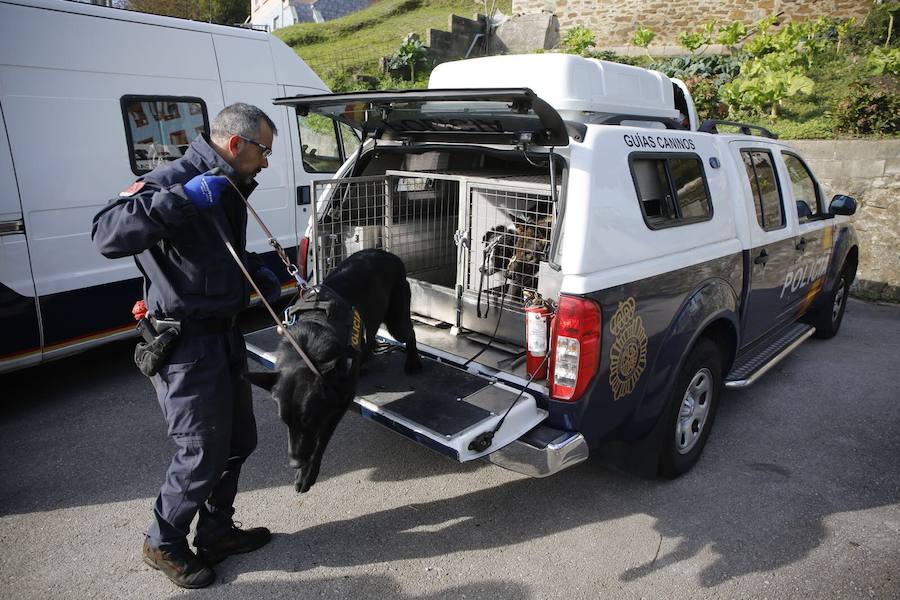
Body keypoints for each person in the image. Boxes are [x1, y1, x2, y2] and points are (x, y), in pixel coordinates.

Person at [92, 103, 283, 589]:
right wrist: (180, 200)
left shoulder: (230, 184)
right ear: (236, 144)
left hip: (224, 333)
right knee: (200, 450)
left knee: (239, 441)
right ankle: (163, 543)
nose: (266, 162)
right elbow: (107, 234)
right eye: (263, 151)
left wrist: (254, 270)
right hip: (185, 343)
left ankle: (216, 533)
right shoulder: (174, 180)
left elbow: (218, 251)